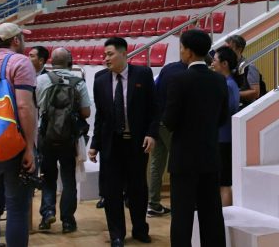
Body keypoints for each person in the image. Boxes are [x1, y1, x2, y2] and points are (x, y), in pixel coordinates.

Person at [88, 37, 158, 247]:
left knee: (138, 190)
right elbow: (100, 116)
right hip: (111, 145)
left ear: (124, 53)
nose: (106, 58)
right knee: (111, 192)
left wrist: (151, 133)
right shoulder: (100, 79)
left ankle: (140, 229)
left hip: (136, 144)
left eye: (109, 54)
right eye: (105, 55)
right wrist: (94, 144)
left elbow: (154, 109)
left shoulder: (143, 75)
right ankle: (117, 234)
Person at [163, 30, 229, 247]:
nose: (181, 51)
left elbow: (170, 121)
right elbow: (222, 118)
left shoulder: (178, 80)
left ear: (189, 52)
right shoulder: (219, 81)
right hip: (210, 156)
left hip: (184, 159)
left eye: (182, 47)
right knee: (212, 215)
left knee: (182, 217)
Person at [0, 23, 38, 247]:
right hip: (12, 145)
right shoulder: (20, 62)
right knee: (17, 209)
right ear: (16, 41)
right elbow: (24, 107)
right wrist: (29, 147)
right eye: (23, 38)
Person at [36, 47, 91, 234]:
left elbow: (34, 105)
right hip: (69, 139)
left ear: (51, 62)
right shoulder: (79, 82)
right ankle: (68, 221)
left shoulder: (42, 80)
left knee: (48, 177)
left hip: (46, 137)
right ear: (71, 62)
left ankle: (47, 213)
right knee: (68, 179)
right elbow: (86, 112)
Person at [147, 60, 185, 218]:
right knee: (180, 162)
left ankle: (153, 204)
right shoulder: (185, 73)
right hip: (171, 123)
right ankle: (181, 203)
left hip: (158, 119)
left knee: (156, 163)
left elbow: (155, 90)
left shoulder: (168, 68)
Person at [210, 46, 241, 206]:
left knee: (224, 183)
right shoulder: (227, 83)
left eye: (215, 60)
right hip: (222, 137)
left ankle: (225, 217)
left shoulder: (227, 85)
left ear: (225, 64)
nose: (212, 63)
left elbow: (223, 112)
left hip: (223, 138)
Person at [225, 35, 261, 105]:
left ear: (239, 49)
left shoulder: (249, 67)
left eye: (230, 48)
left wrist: (232, 93)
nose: (226, 52)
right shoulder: (225, 64)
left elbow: (256, 92)